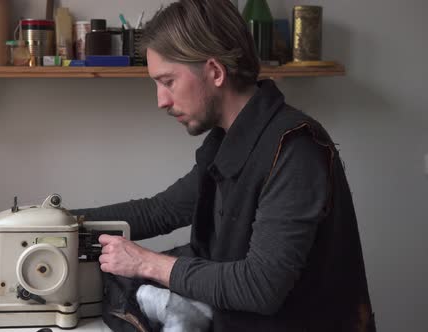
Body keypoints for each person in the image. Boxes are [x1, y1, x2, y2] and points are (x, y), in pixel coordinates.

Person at [73, 0, 375, 331]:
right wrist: (60, 223)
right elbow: (160, 211)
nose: (161, 101)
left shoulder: (294, 148)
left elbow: (260, 287)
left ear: (216, 72)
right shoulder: (229, 140)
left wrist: (144, 263)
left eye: (168, 81)